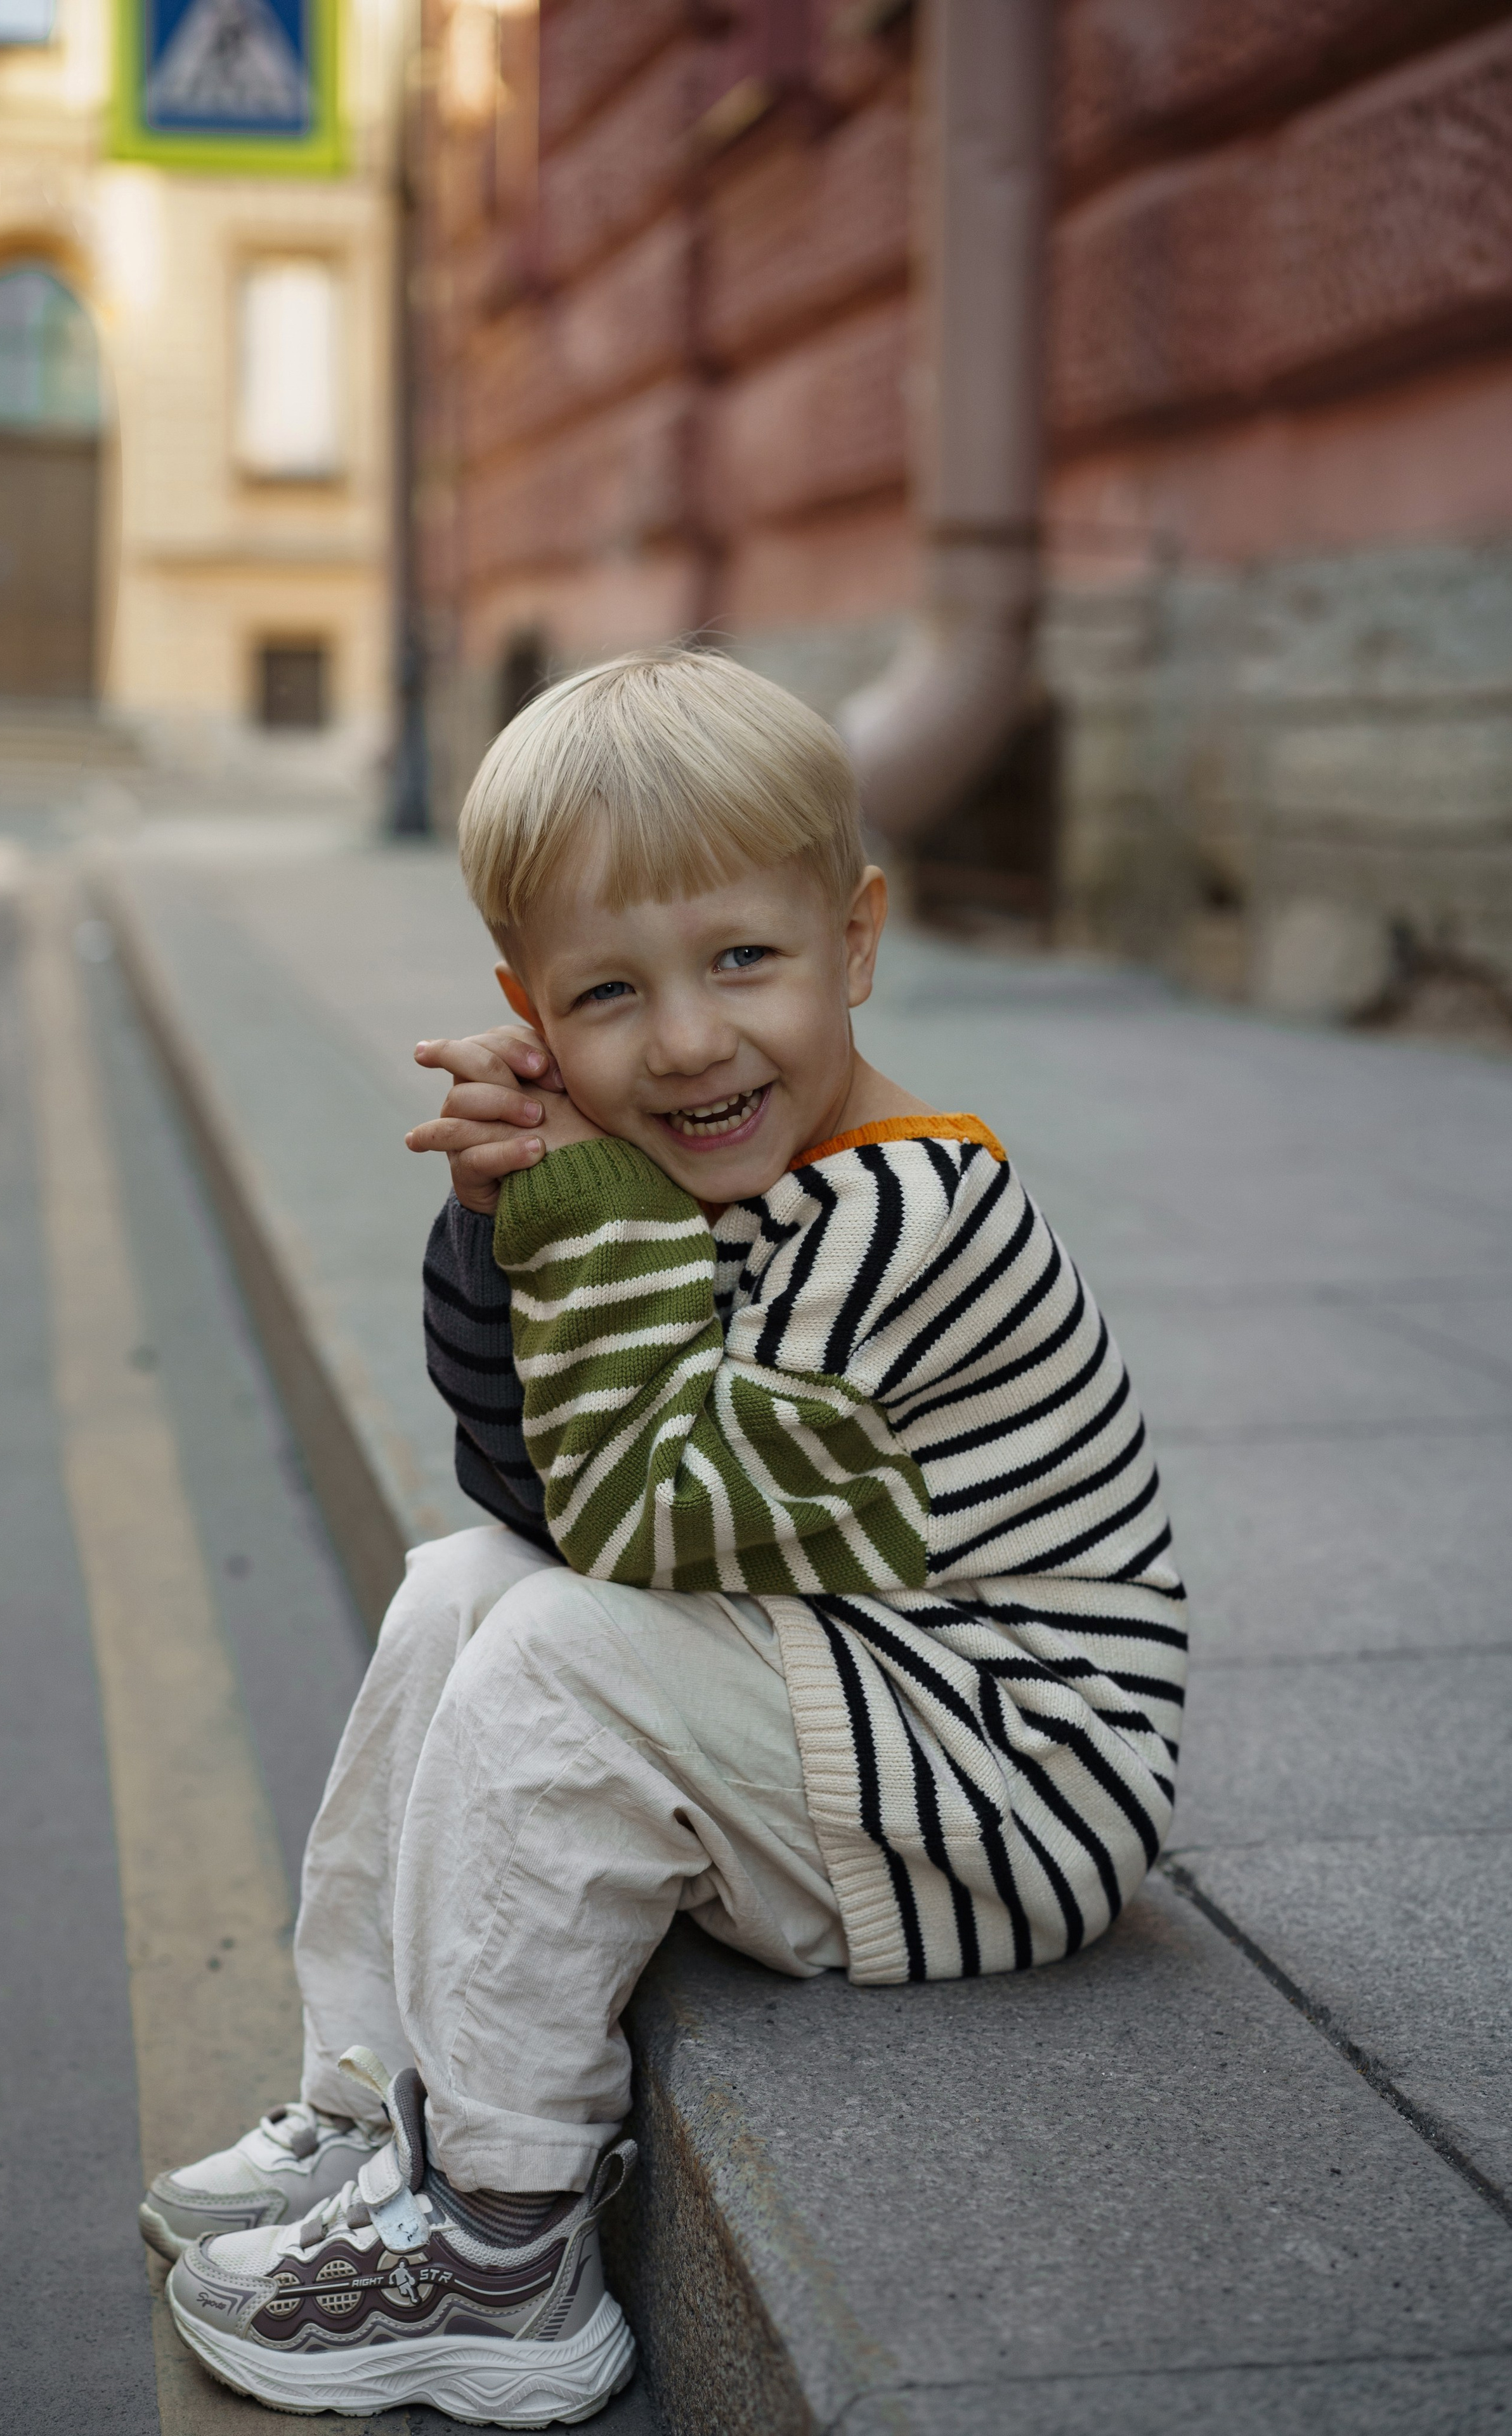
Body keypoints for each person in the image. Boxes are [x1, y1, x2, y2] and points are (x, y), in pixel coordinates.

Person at [152, 650, 1187, 2425]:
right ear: (528, 1011)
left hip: (1010, 1784)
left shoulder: (905, 1221)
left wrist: (578, 1210)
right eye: (611, 994)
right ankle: (366, 2097)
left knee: (553, 1648)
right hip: (866, 1683)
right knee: (460, 1584)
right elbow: (527, 1490)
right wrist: (498, 1224)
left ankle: (503, 2245)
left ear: (856, 943)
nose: (692, 1040)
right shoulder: (721, 1171)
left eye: (744, 962)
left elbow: (633, 1522)